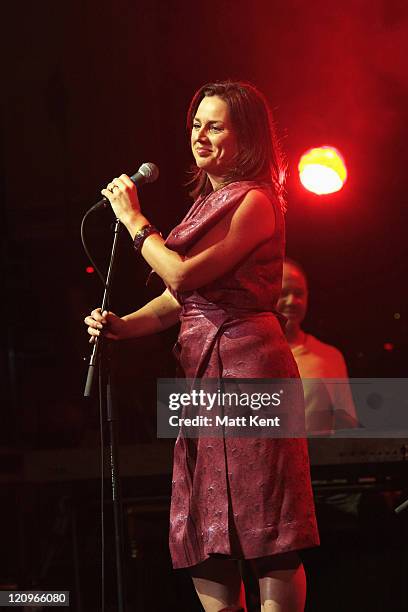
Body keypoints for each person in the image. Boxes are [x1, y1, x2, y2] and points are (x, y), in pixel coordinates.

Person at [85, 81, 319, 612]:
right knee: (205, 522)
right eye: (196, 125)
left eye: (215, 126)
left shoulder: (257, 200)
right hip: (200, 371)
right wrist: (123, 325)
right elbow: (177, 300)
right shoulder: (204, 205)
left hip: (250, 366)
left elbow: (185, 275)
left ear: (247, 138)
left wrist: (134, 221)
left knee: (267, 525)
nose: (201, 136)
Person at [276, 259, 359, 434]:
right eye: (283, 293)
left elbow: (346, 427)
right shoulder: (247, 355)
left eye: (299, 293)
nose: (292, 301)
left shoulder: (329, 357)